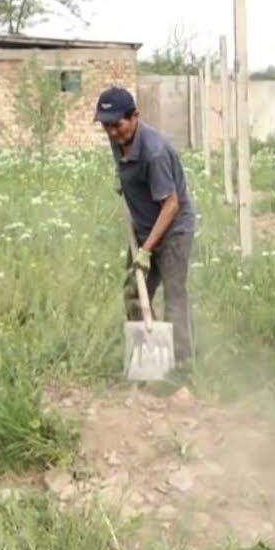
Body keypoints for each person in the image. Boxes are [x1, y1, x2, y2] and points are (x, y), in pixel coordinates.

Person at [95, 86, 197, 372]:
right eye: (106, 125)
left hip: (174, 228)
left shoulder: (155, 152)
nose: (112, 132)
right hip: (144, 227)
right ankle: (147, 360)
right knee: (133, 291)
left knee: (174, 295)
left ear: (135, 116)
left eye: (117, 124)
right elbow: (126, 165)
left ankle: (182, 364)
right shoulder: (118, 140)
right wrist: (125, 182)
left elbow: (171, 205)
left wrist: (146, 250)